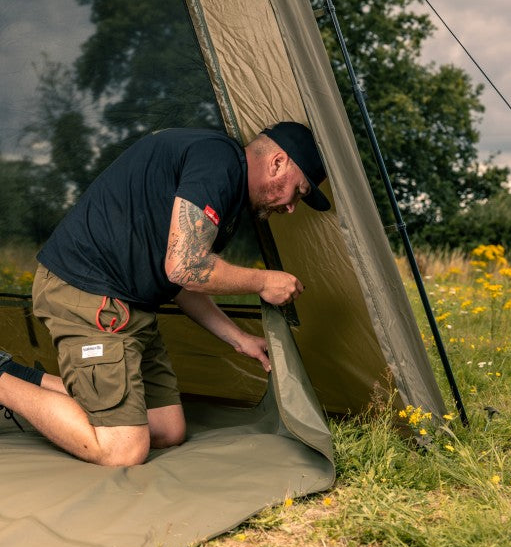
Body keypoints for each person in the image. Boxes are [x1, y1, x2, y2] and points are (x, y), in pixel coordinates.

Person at [0, 121, 329, 466]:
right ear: (278, 162)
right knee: (123, 450)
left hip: (131, 305)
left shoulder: (225, 184)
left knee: (167, 430)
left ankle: (26, 378)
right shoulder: (219, 162)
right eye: (300, 191)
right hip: (87, 291)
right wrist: (263, 282)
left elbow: (181, 281)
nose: (293, 206)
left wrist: (238, 339)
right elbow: (186, 266)